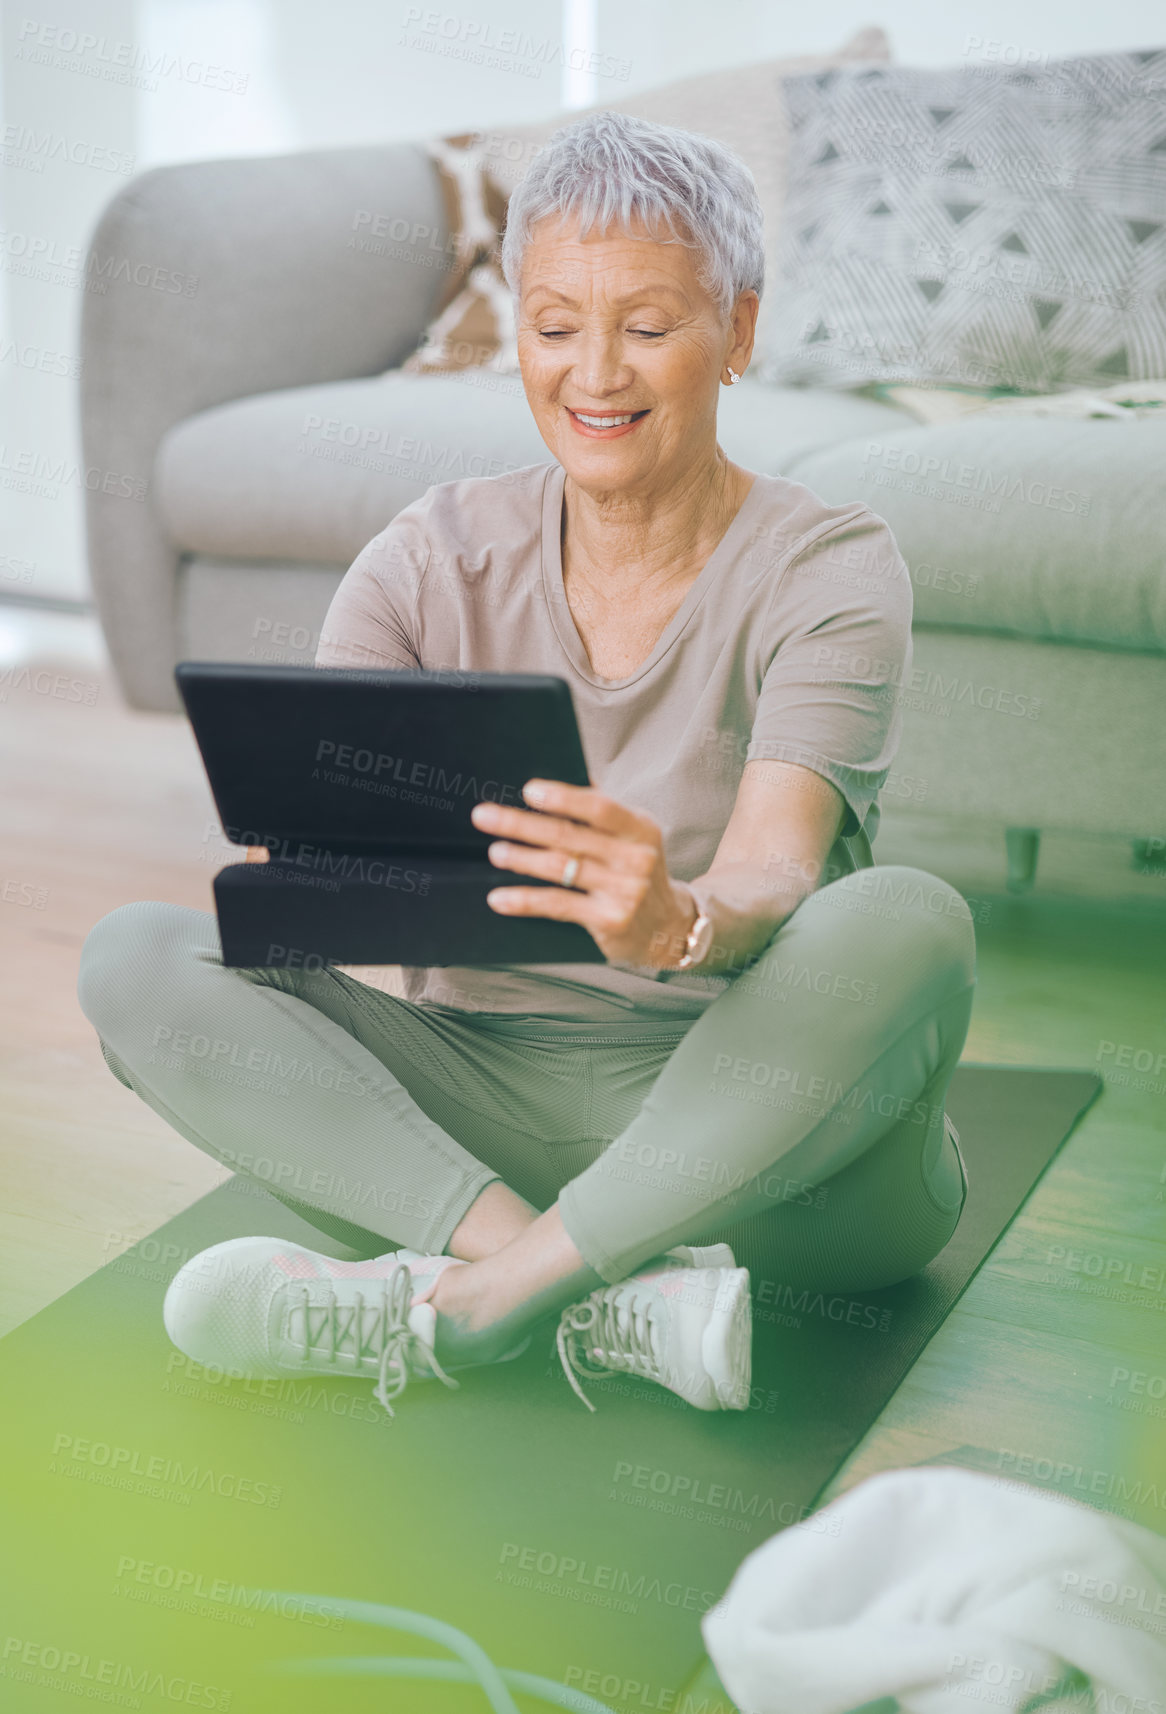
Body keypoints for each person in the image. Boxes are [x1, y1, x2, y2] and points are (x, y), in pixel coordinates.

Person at [77, 110, 975, 1419]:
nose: (593, 373)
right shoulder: (423, 559)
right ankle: (577, 1284)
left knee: (909, 919)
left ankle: (468, 1297)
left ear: (738, 329)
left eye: (647, 327)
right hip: (476, 1107)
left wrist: (677, 923)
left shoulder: (830, 563)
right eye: (554, 327)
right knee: (133, 957)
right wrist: (328, 865)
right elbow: (331, 871)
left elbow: (778, 864)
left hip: (776, 1139)